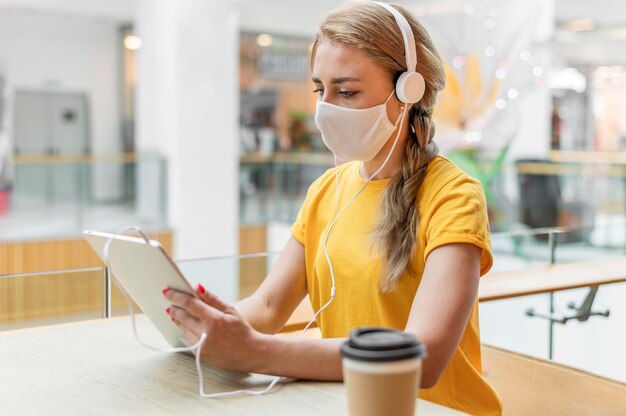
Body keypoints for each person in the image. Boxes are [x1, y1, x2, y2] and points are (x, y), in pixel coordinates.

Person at [164, 2, 502, 414]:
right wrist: (215, 323)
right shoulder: (325, 191)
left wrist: (255, 353)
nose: (326, 107)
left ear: (408, 91)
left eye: (347, 91)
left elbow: (422, 358)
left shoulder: (452, 196)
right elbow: (269, 308)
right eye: (319, 90)